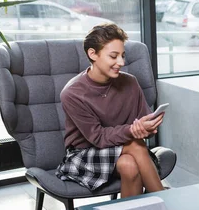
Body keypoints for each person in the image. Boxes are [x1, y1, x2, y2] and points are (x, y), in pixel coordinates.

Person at [56, 23, 165, 197]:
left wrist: (148, 129)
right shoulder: (72, 93)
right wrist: (131, 131)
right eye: (113, 56)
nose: (121, 62)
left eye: (122, 55)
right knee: (136, 146)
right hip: (85, 154)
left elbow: (142, 129)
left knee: (129, 165)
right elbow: (98, 138)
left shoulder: (130, 83)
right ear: (93, 54)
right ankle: (164, 199)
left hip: (125, 148)